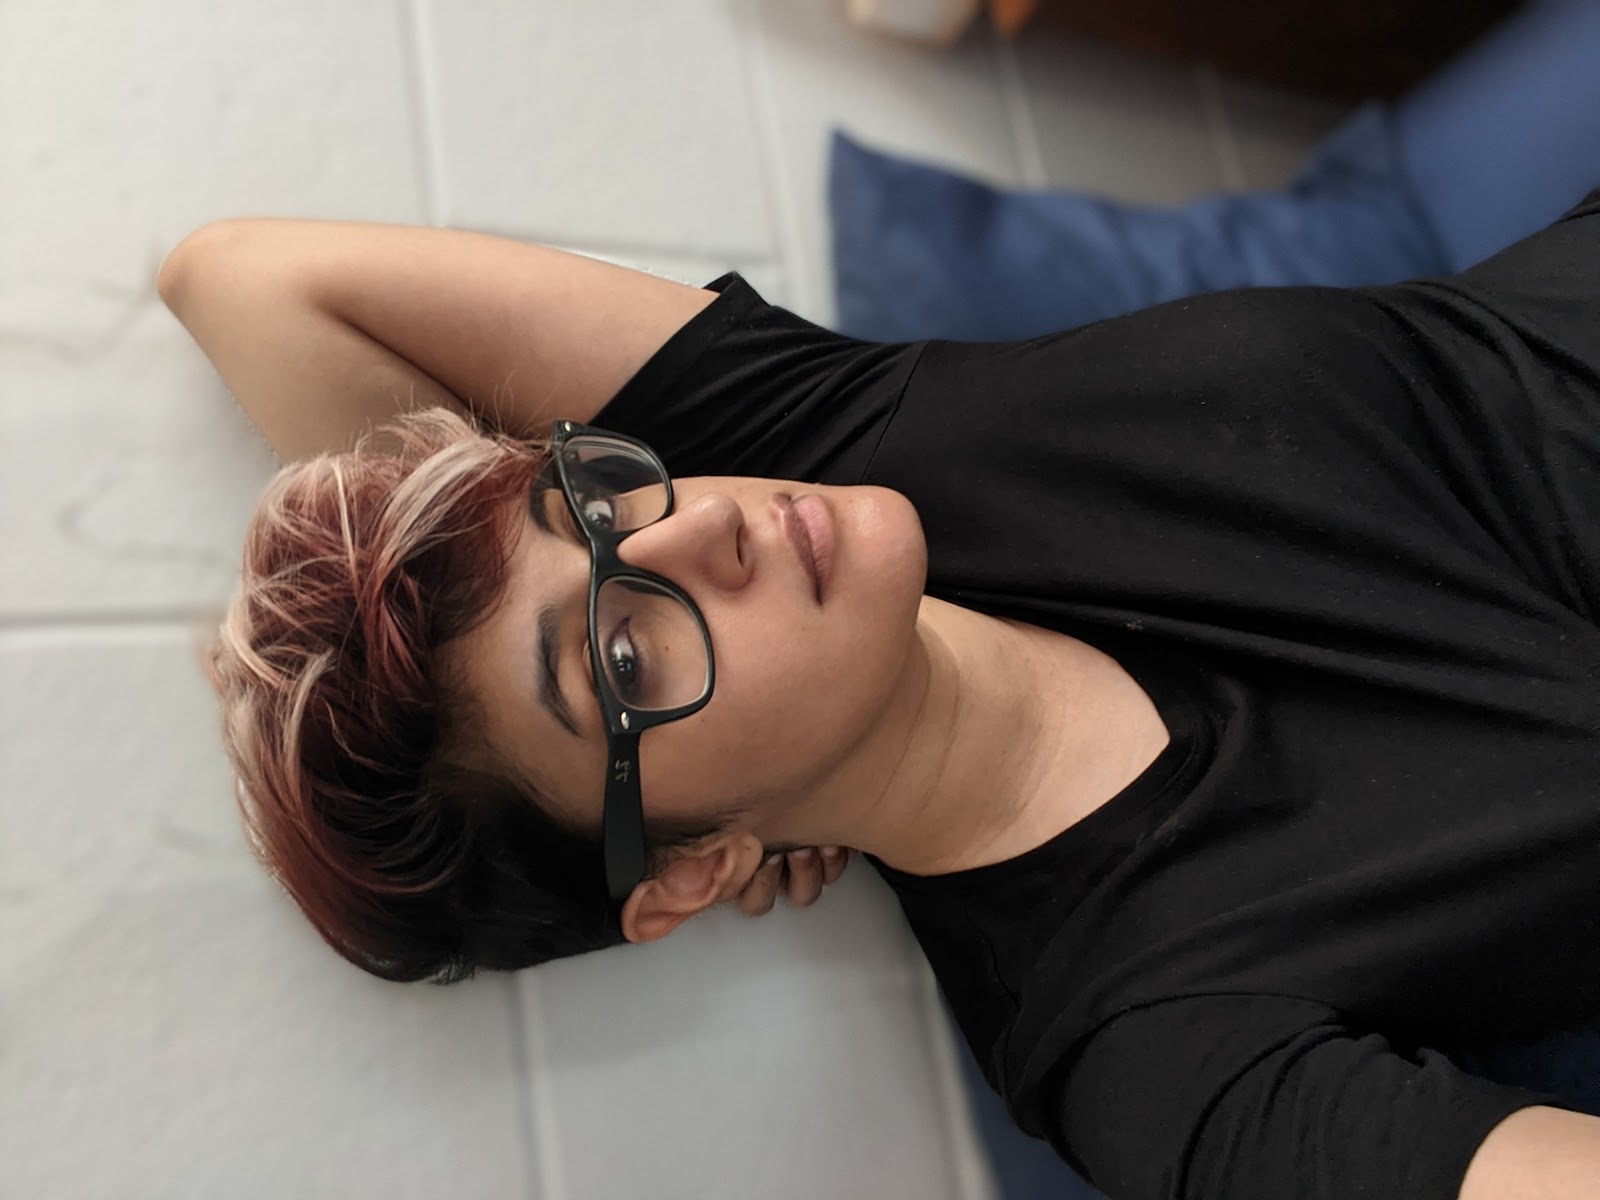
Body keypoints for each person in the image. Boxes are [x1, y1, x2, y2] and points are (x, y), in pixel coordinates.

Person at [157, 195, 1600, 1199]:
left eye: (586, 506)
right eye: (623, 659)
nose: (696, 527)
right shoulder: (1144, 1044)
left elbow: (233, 275)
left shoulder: (821, 436)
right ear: (686, 871)